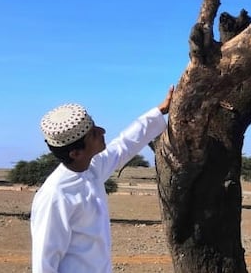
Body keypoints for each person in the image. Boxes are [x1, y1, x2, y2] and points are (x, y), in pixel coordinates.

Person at [30, 88, 172, 273]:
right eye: (93, 134)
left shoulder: (91, 167)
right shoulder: (55, 196)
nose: (102, 131)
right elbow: (44, 263)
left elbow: (124, 145)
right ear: (76, 153)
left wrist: (159, 111)